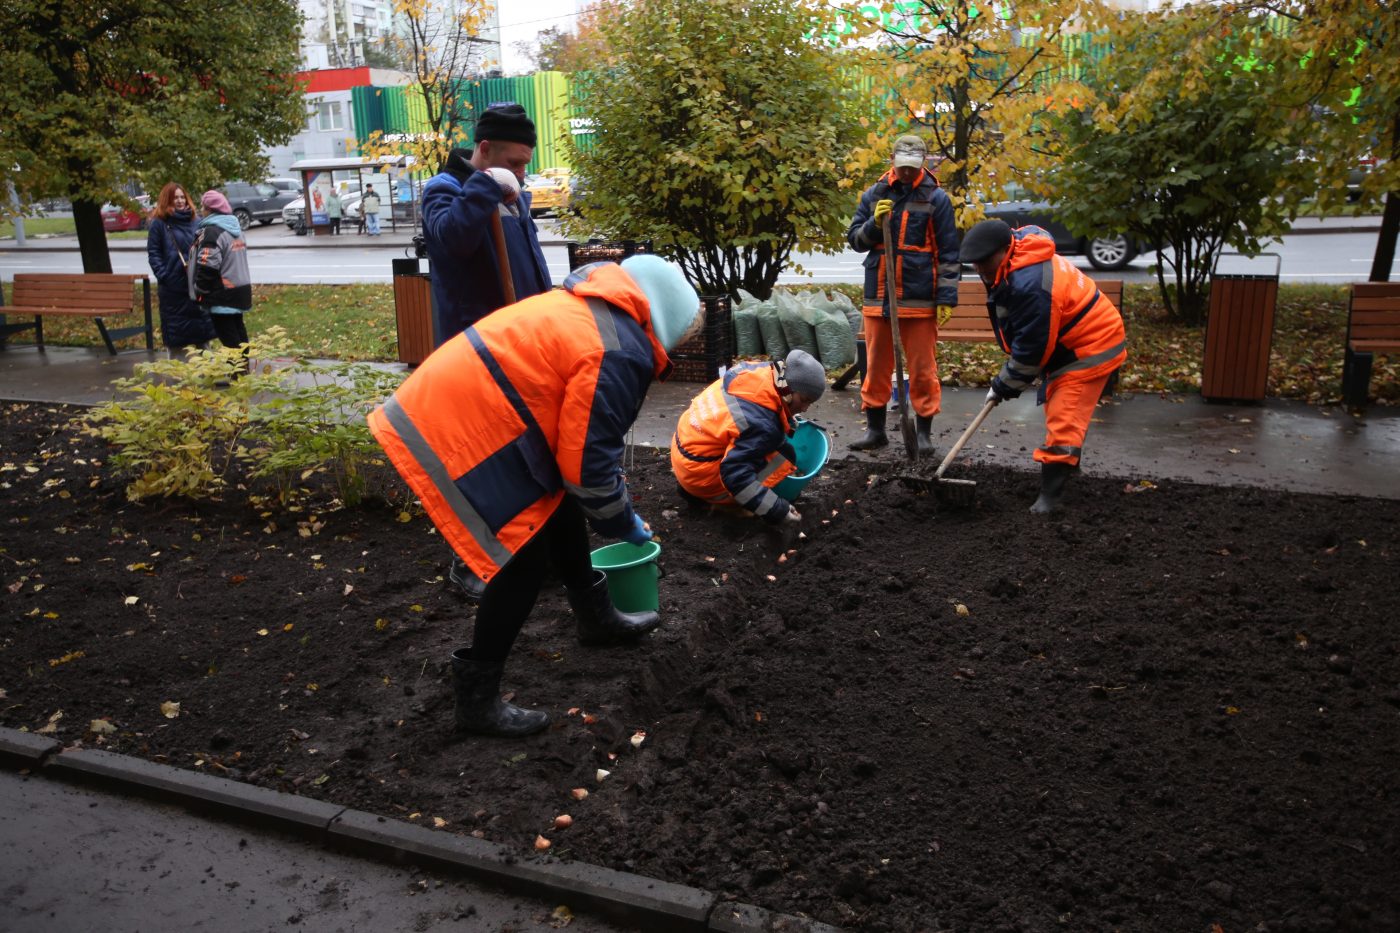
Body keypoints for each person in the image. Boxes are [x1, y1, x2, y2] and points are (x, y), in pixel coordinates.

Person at [366, 255, 705, 738]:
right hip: (459, 430)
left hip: (456, 410)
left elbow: (573, 463)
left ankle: (596, 618)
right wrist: (623, 524)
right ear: (666, 318)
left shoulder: (591, 310)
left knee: (556, 505)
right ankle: (478, 698)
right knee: (523, 558)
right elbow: (589, 468)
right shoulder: (620, 349)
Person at [960, 218, 1127, 514]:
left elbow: (1032, 351)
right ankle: (1066, 471)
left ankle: (1051, 499)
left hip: (1091, 346)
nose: (979, 269)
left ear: (1005, 248)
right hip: (1071, 341)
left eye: (985, 261)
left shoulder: (1031, 284)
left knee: (1065, 415)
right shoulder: (1021, 254)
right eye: (975, 263)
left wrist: (1003, 385)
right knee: (1060, 410)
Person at [846, 134, 961, 456]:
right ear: (893, 162)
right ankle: (876, 431)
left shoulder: (936, 199)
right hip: (879, 298)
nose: (907, 174)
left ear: (923, 163)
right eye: (902, 167)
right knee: (876, 368)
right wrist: (873, 223)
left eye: (913, 168)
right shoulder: (874, 195)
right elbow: (855, 240)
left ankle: (923, 433)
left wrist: (946, 299)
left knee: (923, 370)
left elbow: (949, 254)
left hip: (919, 299)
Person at [420, 103, 551, 345]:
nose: (521, 173)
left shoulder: (511, 193)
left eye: (525, 164)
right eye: (514, 163)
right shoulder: (444, 188)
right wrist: (487, 183)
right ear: (485, 149)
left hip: (522, 335)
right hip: (478, 345)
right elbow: (453, 241)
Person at [670, 349, 825, 525]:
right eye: (804, 400)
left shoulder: (753, 371)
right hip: (698, 476)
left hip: (683, 453)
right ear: (788, 391)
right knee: (784, 458)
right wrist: (777, 509)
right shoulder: (761, 424)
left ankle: (691, 491)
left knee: (769, 443)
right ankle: (727, 505)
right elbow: (735, 477)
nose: (805, 408)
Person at [145, 183, 215, 355]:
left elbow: (206, 249)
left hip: (195, 285)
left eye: (182, 197)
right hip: (173, 290)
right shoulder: (159, 223)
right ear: (167, 200)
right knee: (176, 338)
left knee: (202, 337)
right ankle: (177, 378)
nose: (179, 201)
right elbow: (154, 253)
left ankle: (209, 374)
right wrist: (164, 276)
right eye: (175, 197)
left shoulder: (197, 221)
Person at [188, 190, 253, 375]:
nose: (201, 210)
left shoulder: (212, 232)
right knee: (239, 332)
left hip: (223, 293)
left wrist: (200, 289)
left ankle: (238, 375)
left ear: (210, 209)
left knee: (229, 337)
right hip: (240, 290)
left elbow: (208, 265)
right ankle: (244, 370)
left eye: (203, 207)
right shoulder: (236, 229)